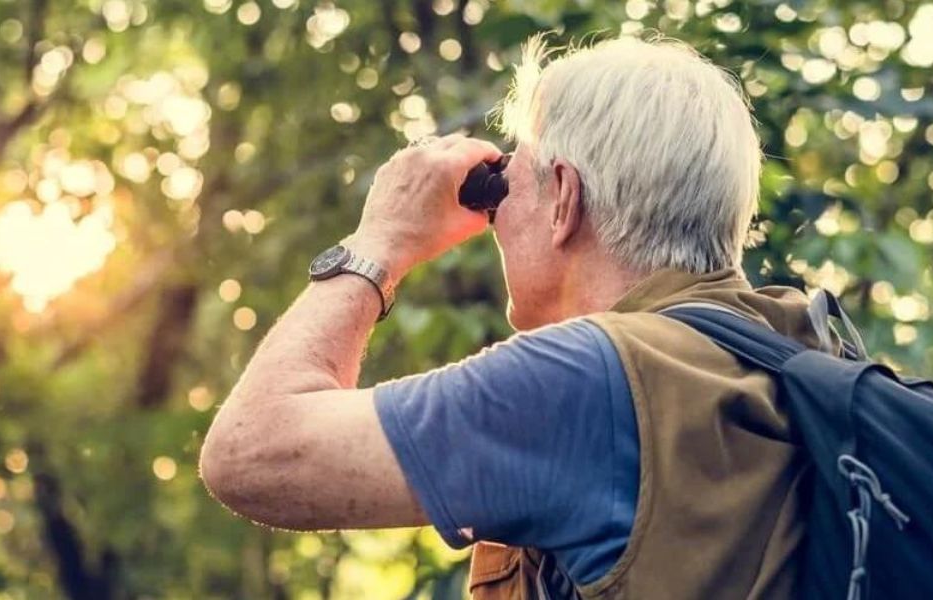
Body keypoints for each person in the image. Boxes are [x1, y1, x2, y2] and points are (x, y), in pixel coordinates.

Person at [200, 34, 820, 599]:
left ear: (564, 200)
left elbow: (250, 454)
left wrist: (379, 241)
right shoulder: (800, 350)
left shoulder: (589, 380)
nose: (494, 218)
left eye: (505, 188)